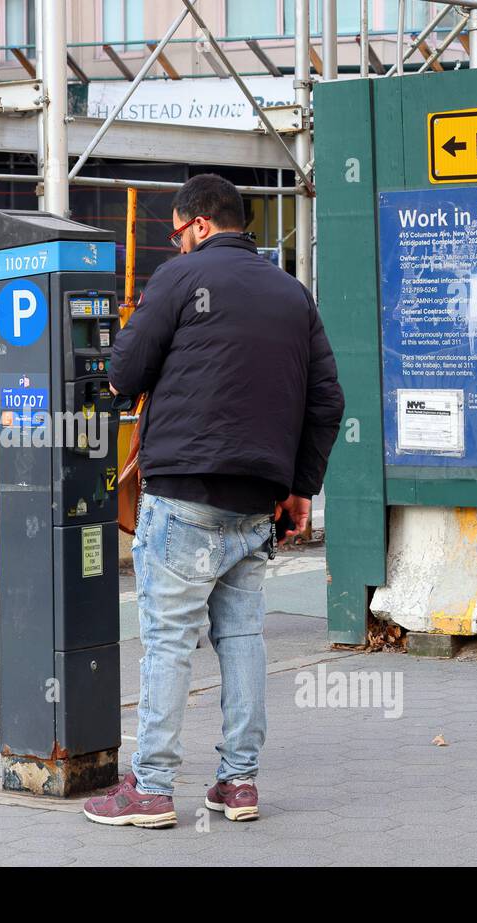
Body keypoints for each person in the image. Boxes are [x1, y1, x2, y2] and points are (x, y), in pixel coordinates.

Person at [83, 174, 344, 829]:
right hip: (256, 502)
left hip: (184, 495)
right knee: (243, 639)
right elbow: (327, 400)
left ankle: (150, 788)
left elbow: (122, 374)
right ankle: (238, 783)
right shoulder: (292, 295)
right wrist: (300, 488)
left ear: (198, 225)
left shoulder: (179, 280)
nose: (175, 246)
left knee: (169, 643)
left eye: (176, 233)